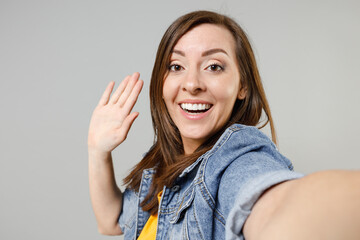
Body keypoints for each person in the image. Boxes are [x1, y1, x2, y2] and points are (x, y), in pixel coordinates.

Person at [88, 10, 360, 240]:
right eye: (176, 66)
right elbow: (111, 221)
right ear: (162, 82)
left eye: (214, 66)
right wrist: (97, 151)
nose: (192, 83)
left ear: (243, 85)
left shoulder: (237, 160)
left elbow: (277, 205)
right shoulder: (166, 167)